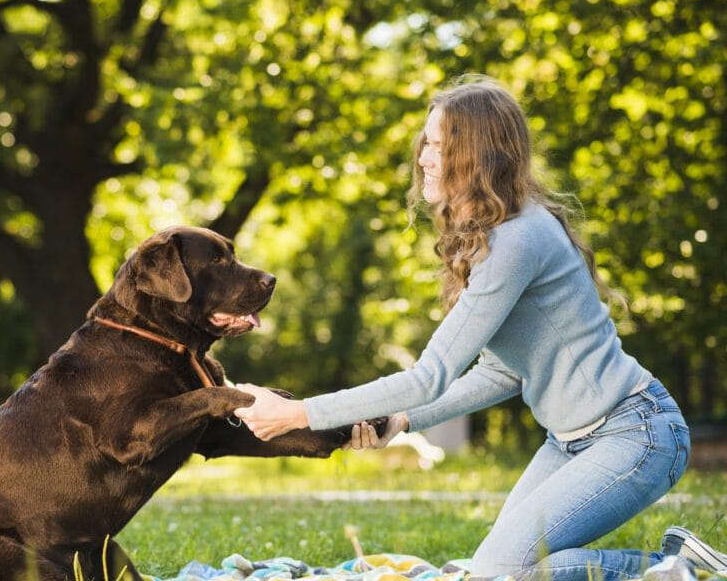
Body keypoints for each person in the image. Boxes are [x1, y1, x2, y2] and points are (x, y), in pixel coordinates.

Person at [232, 76, 727, 581]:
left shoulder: (517, 241)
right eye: (426, 142)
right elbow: (501, 374)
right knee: (497, 569)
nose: (424, 157)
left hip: (637, 433)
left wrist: (298, 414)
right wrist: (401, 421)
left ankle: (683, 570)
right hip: (570, 441)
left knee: (503, 570)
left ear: (480, 157)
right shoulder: (495, 237)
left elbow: (430, 376)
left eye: (441, 146)